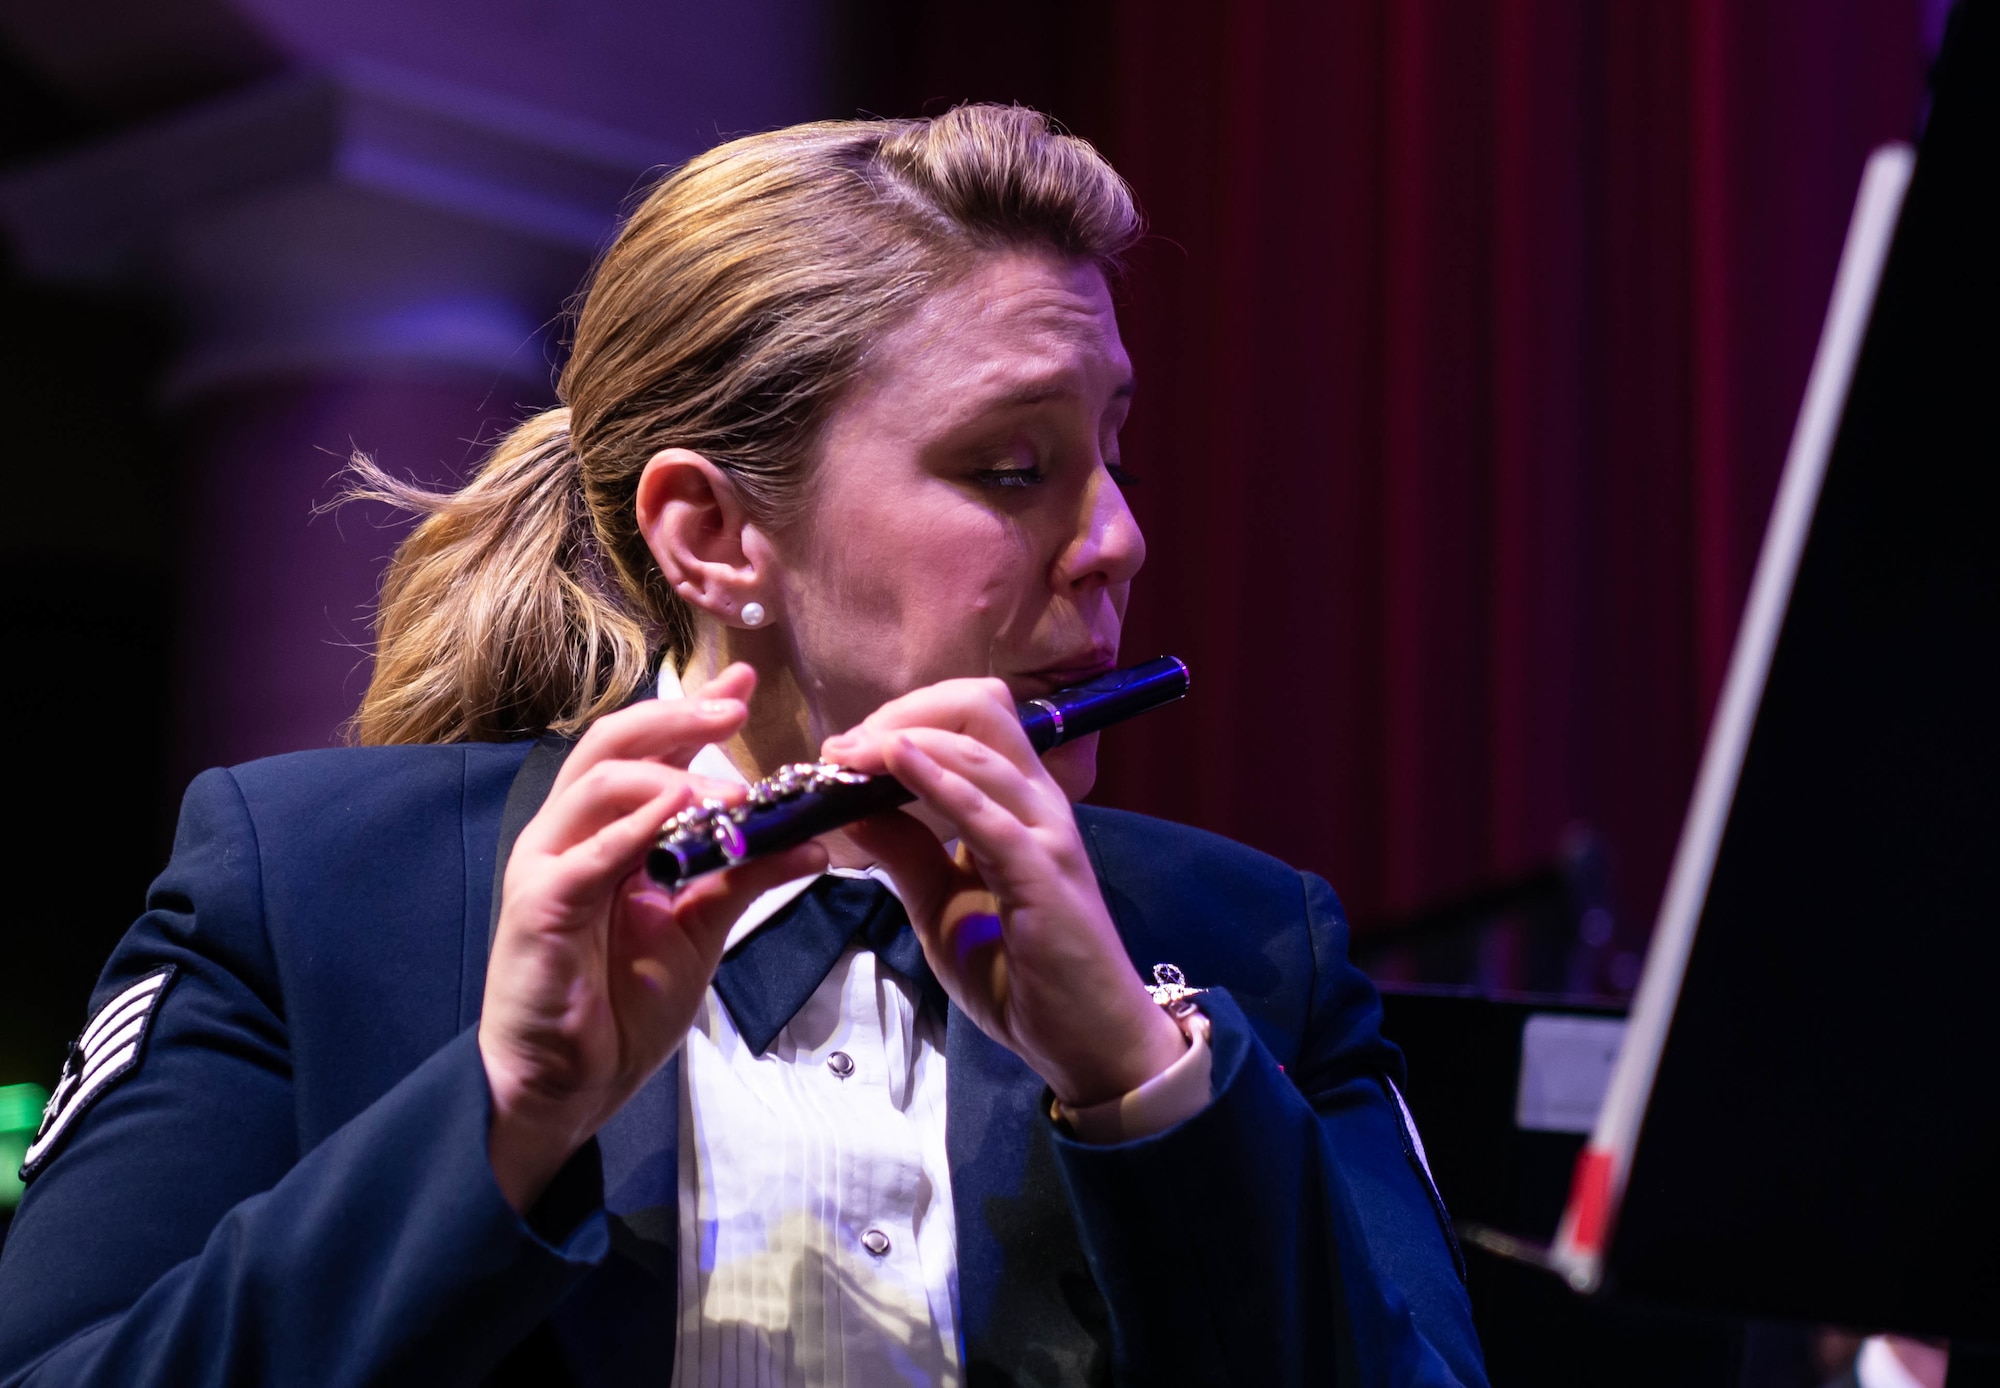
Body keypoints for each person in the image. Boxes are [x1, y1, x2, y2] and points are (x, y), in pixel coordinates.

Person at [0, 105, 1485, 1386]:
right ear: (712, 535)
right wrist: (505, 1116)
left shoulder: (1249, 950)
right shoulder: (311, 887)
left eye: (1117, 455)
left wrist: (1146, 1090)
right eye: (1014, 466)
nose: (1117, 540)